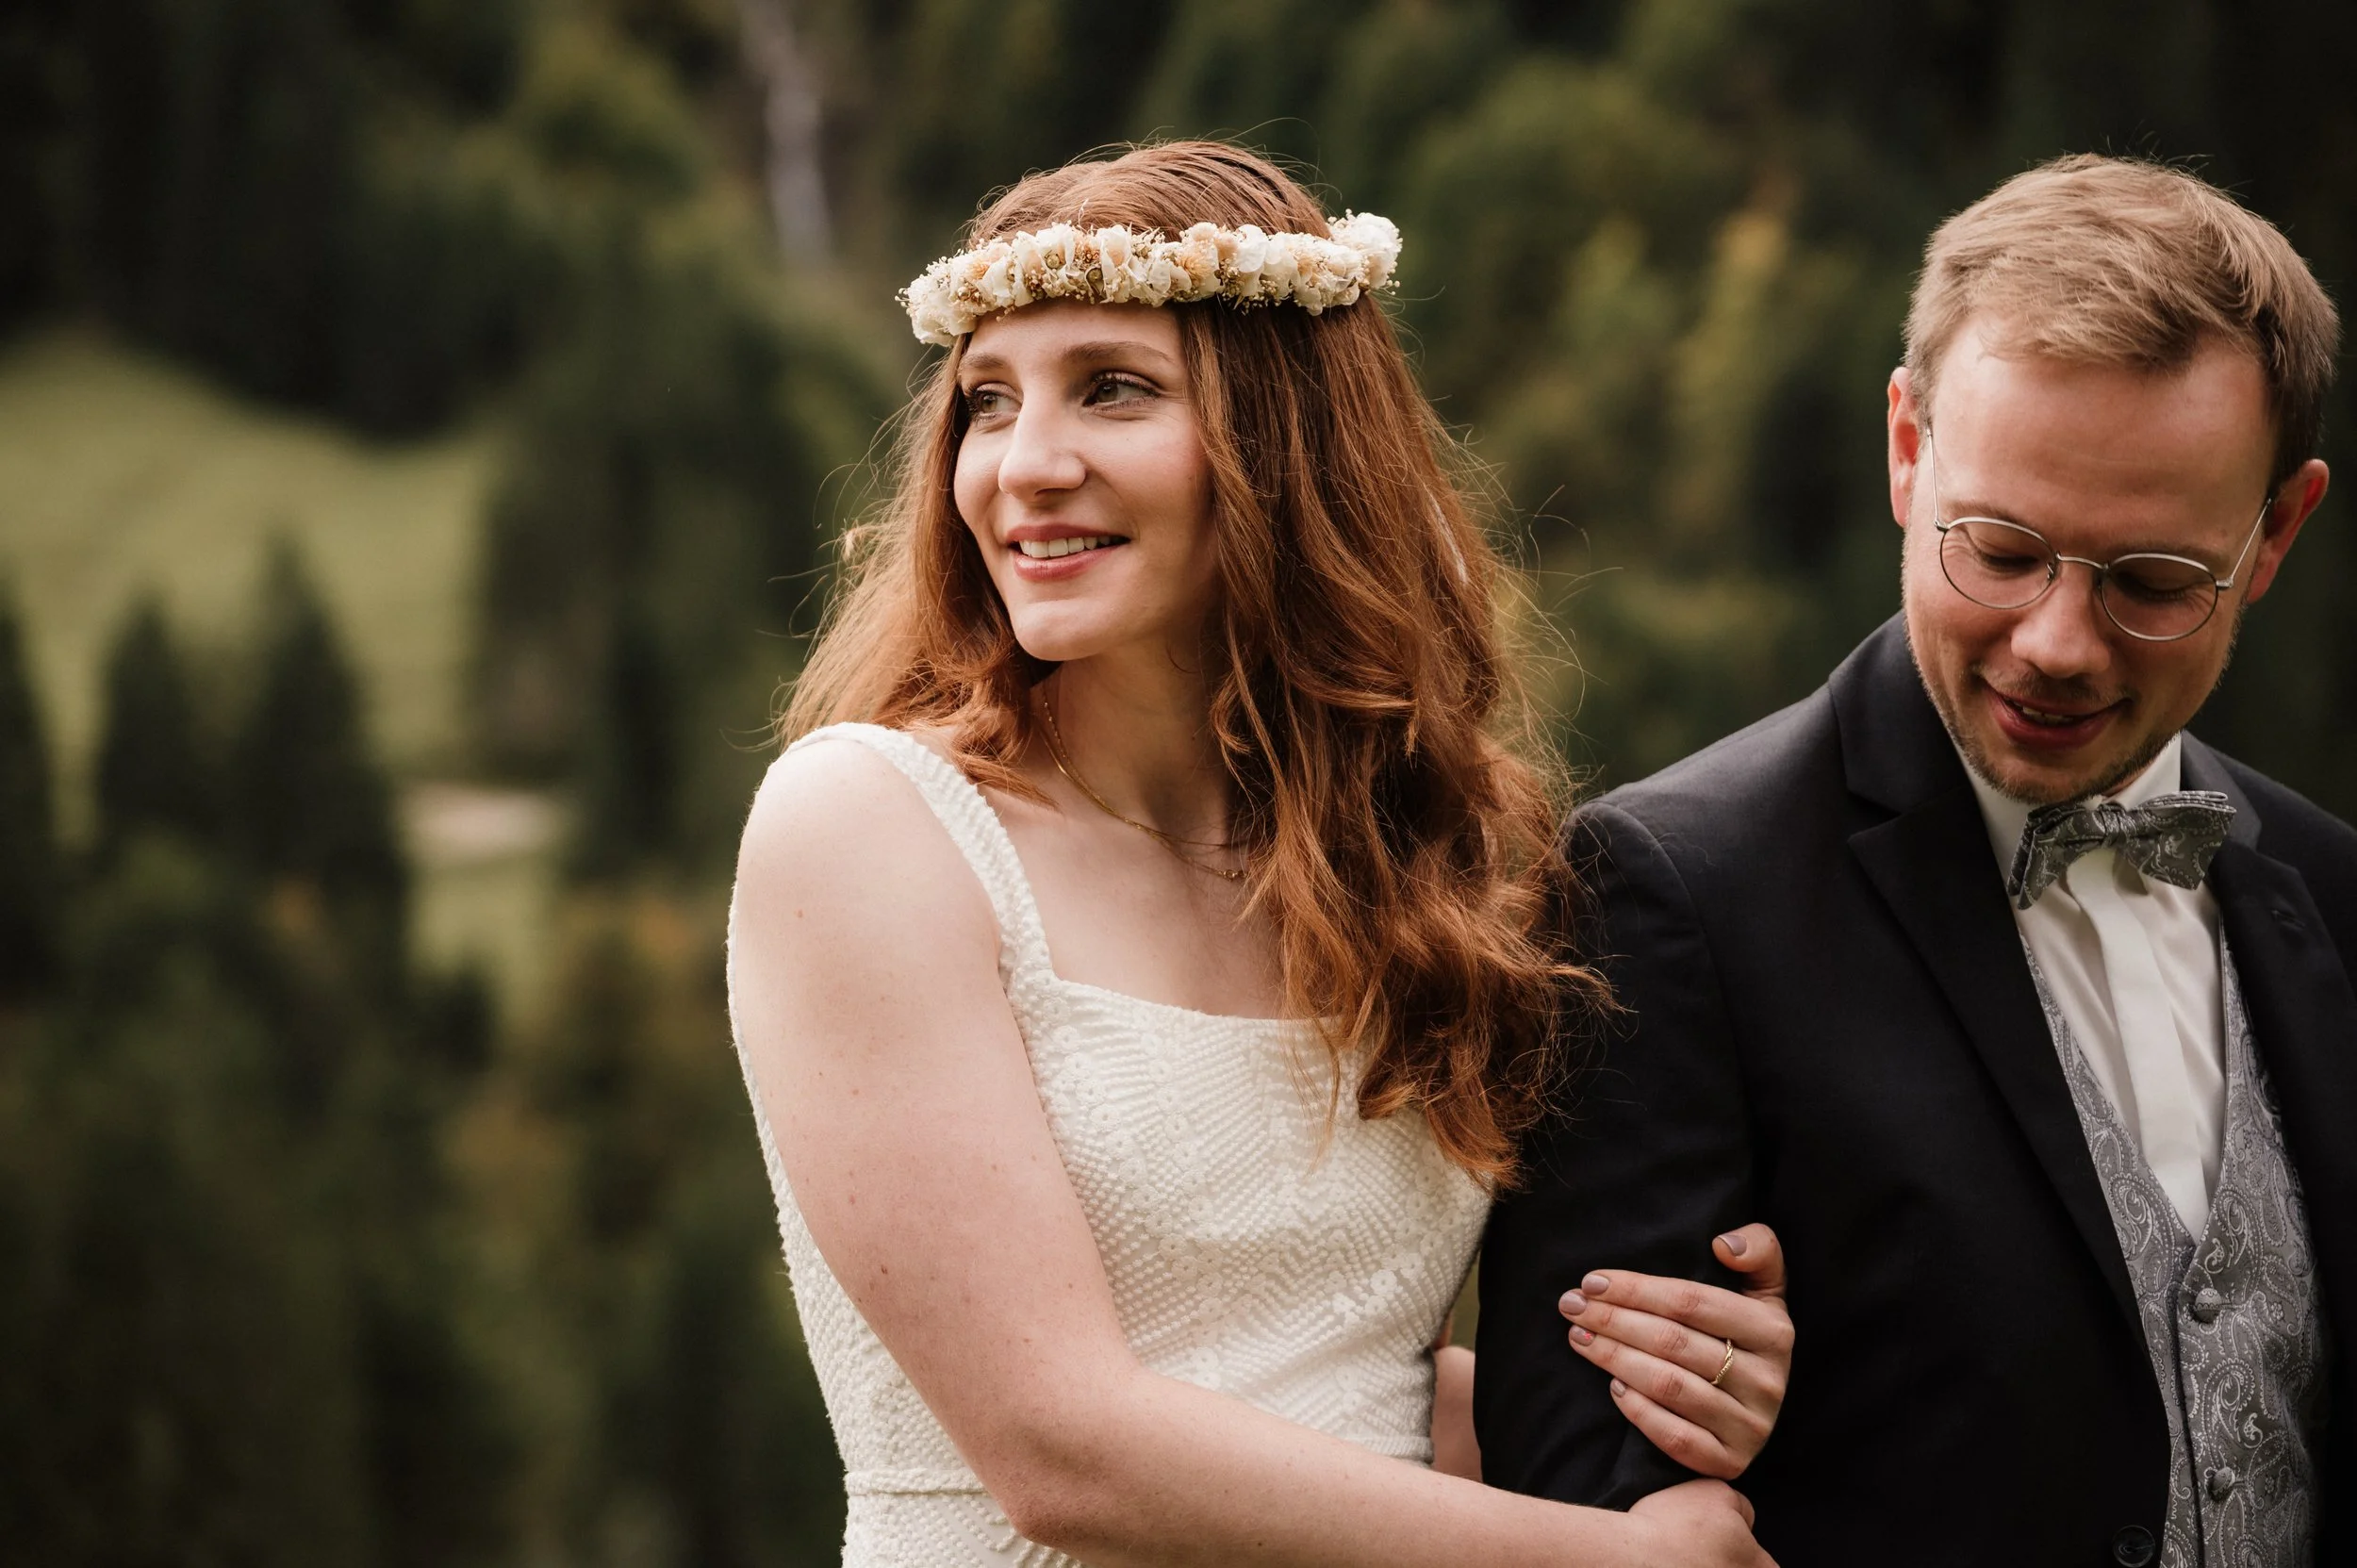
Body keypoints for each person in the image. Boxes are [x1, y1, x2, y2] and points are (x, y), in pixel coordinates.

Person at [727, 140, 1797, 1566]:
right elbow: (1060, 1449)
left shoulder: (1415, 865)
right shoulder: (873, 826)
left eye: (1112, 387)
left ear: (1288, 441)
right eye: (989, 401)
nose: (1027, 464)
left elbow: (1339, 1391)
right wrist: (1607, 1562)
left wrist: (1648, 1374)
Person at [1476, 154, 2357, 1567]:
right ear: (1906, 448)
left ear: (2276, 533)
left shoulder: (2333, 890)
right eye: (2001, 550)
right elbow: (1584, 1494)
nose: (2057, 644)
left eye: (2151, 582)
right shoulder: (1670, 891)